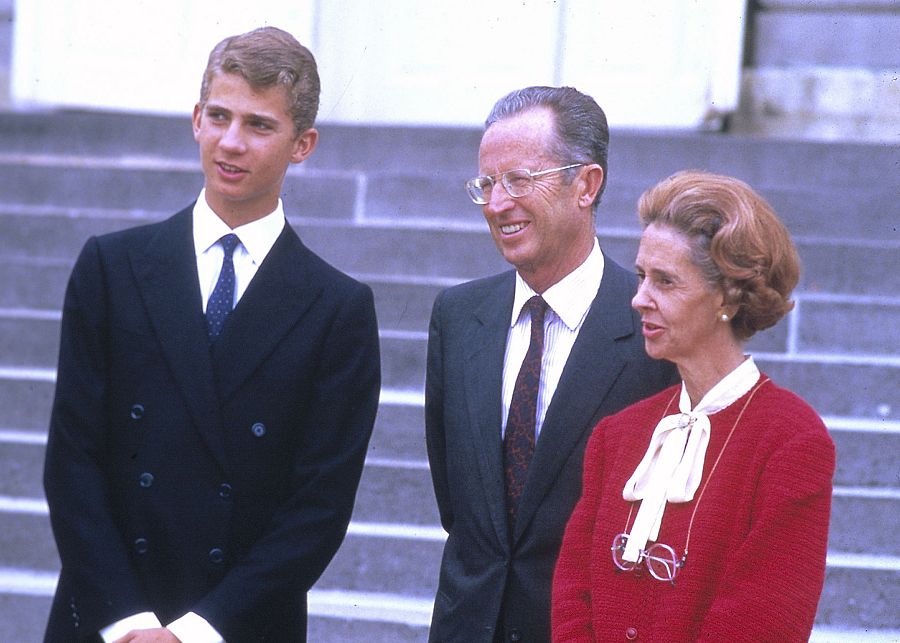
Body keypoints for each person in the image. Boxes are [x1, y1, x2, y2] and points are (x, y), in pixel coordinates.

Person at [42, 27, 381, 643]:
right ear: (196, 119)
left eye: (259, 125)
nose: (231, 142)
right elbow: (72, 463)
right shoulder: (112, 268)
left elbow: (318, 509)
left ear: (302, 144)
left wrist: (196, 633)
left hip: (239, 627)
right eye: (219, 116)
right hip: (106, 619)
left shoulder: (338, 308)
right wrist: (132, 625)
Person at [425, 86, 678, 642]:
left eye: (519, 180)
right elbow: (463, 511)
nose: (497, 204)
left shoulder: (652, 326)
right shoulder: (459, 316)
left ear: (585, 185)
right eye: (487, 184)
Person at [552, 170, 835, 642]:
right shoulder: (617, 435)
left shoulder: (791, 440)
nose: (639, 299)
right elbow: (572, 593)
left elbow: (763, 622)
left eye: (665, 282)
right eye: (642, 277)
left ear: (727, 295)